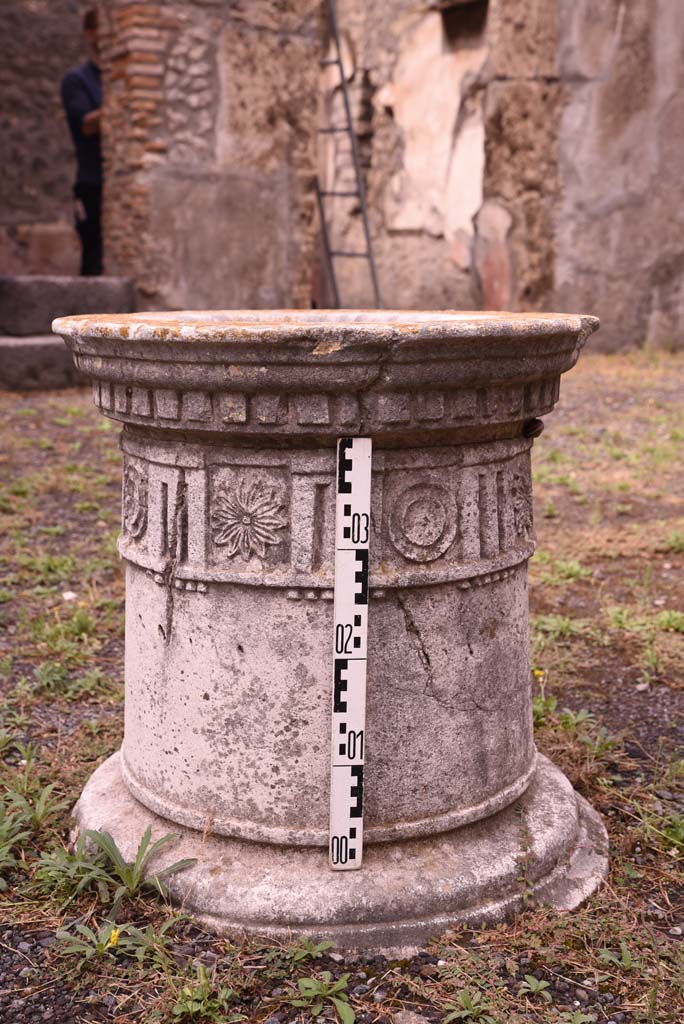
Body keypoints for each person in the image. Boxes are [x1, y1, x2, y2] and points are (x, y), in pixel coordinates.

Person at [61, 9, 103, 276]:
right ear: (90, 34)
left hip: (118, 182)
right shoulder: (77, 80)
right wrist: (119, 103)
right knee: (93, 255)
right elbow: (86, 124)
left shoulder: (111, 77)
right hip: (92, 182)